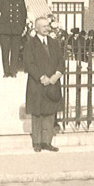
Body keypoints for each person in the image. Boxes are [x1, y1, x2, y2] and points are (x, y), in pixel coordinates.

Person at [24, 17, 65, 153]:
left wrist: (55, 76)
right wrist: (42, 77)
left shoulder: (54, 43)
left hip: (52, 84)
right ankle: (37, 142)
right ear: (36, 28)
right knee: (37, 114)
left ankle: (47, 141)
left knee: (50, 113)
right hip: (37, 84)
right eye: (44, 26)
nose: (47, 28)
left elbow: (61, 61)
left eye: (48, 26)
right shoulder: (30, 44)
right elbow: (29, 64)